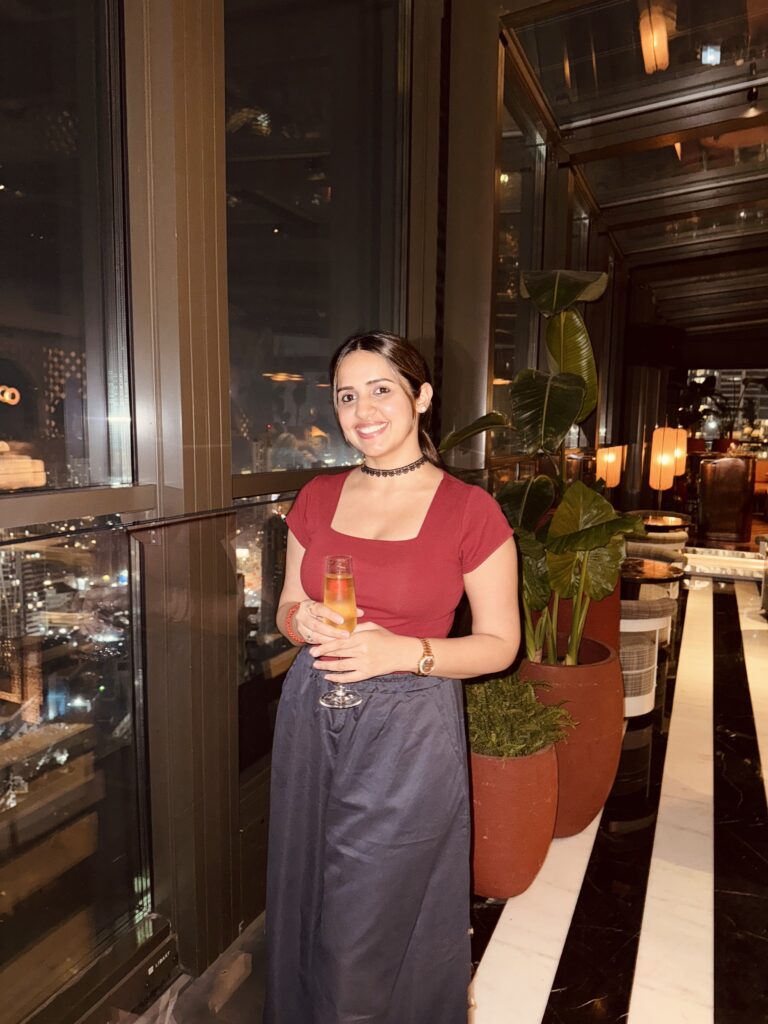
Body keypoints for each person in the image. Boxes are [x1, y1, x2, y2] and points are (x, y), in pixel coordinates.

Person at [264, 331, 520, 1024]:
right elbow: (288, 606)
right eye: (347, 395)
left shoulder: (470, 511)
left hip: (407, 730)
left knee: (366, 921)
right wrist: (304, 623)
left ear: (422, 396)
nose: (363, 409)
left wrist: (402, 652)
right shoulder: (316, 498)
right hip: (312, 715)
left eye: (382, 388)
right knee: (306, 898)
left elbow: (500, 645)